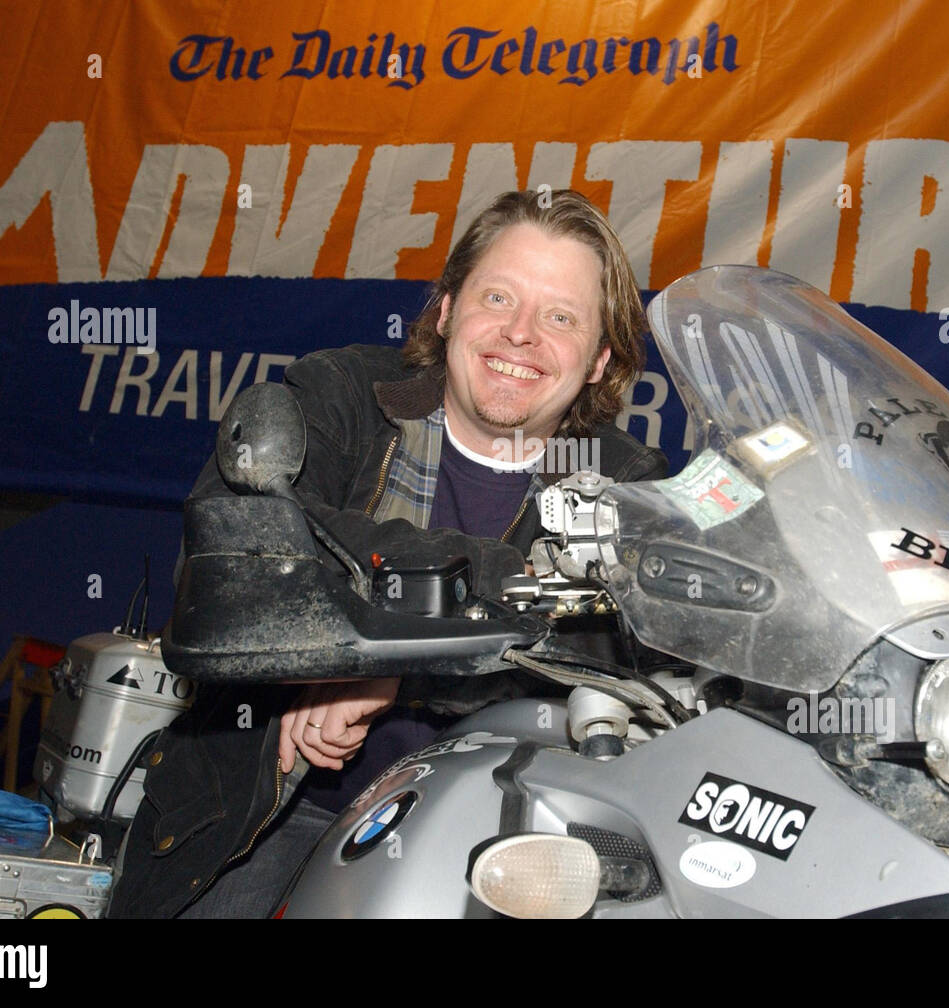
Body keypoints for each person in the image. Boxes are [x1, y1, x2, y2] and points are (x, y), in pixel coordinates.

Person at [110, 189, 668, 918]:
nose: (520, 335)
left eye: (560, 317)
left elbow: (614, 655)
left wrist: (393, 664)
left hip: (499, 833)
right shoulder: (339, 392)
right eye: (497, 297)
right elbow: (234, 548)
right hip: (267, 792)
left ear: (599, 360)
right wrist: (371, 646)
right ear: (445, 310)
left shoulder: (626, 487)